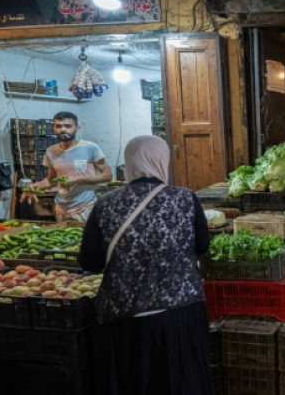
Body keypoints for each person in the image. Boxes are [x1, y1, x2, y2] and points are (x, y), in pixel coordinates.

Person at [79, 135, 211, 395]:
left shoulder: (105, 204)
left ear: (128, 163)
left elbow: (90, 262)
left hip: (122, 316)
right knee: (179, 382)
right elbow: (203, 245)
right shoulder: (184, 199)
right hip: (178, 312)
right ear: (163, 160)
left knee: (133, 383)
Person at [20, 111, 112, 223]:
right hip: (61, 209)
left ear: (77, 128)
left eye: (68, 126)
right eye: (59, 126)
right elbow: (51, 180)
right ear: (54, 128)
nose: (63, 129)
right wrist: (35, 186)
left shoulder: (90, 148)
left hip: (85, 208)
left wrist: (78, 179)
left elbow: (107, 175)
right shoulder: (51, 151)